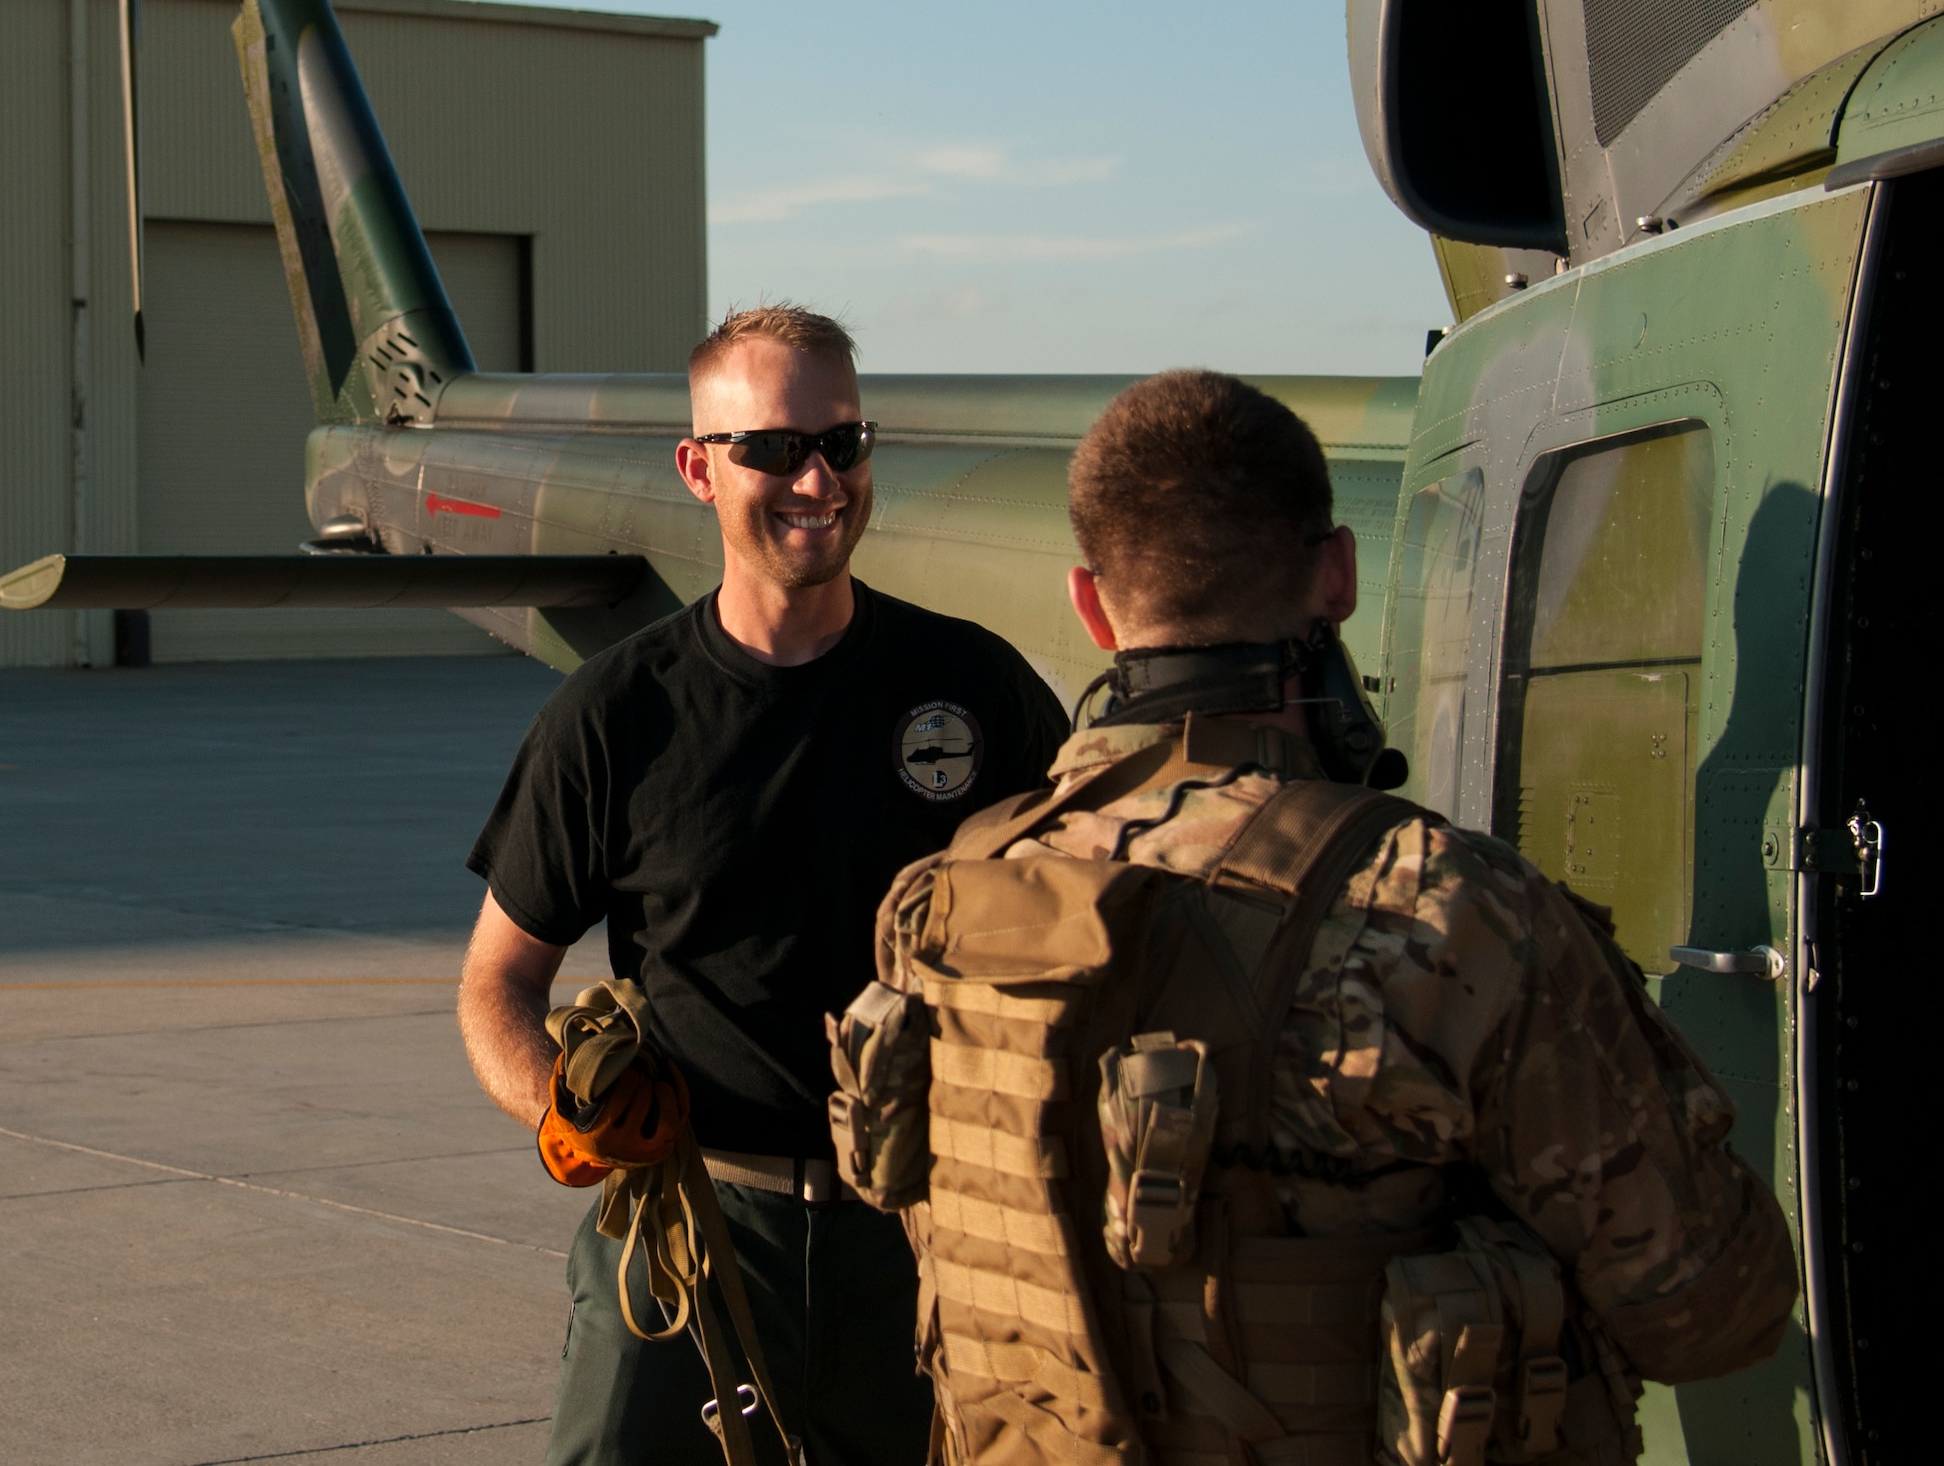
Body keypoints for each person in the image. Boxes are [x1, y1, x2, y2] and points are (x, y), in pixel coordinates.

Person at [846, 370, 1796, 1465]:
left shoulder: (942, 907)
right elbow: (1705, 1308)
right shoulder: (1441, 908)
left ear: (1090, 605)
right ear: (1336, 575)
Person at [458, 305, 1069, 1466]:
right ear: (698, 468)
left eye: (842, 442)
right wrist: (561, 1106)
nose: (817, 479)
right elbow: (496, 981)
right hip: (695, 1230)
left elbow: (1079, 930)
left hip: (927, 1240)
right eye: (774, 448)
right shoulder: (615, 715)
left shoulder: (972, 688)